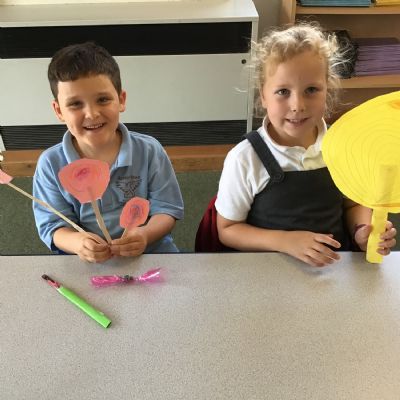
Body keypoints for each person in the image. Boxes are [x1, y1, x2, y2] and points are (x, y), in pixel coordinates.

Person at [215, 23, 396, 267]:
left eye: (311, 90)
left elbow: (353, 203)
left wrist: (362, 230)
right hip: (267, 271)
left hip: (333, 269)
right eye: (283, 91)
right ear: (263, 96)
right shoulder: (245, 158)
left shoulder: (343, 147)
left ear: (327, 91)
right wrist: (285, 241)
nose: (297, 105)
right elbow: (228, 229)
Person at [33, 42, 184, 263]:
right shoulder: (50, 164)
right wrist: (78, 242)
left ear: (121, 100)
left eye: (103, 100)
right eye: (75, 104)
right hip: (89, 263)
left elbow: (167, 209)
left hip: (151, 254)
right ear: (59, 111)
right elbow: (52, 225)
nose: (92, 114)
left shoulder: (149, 151)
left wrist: (145, 235)